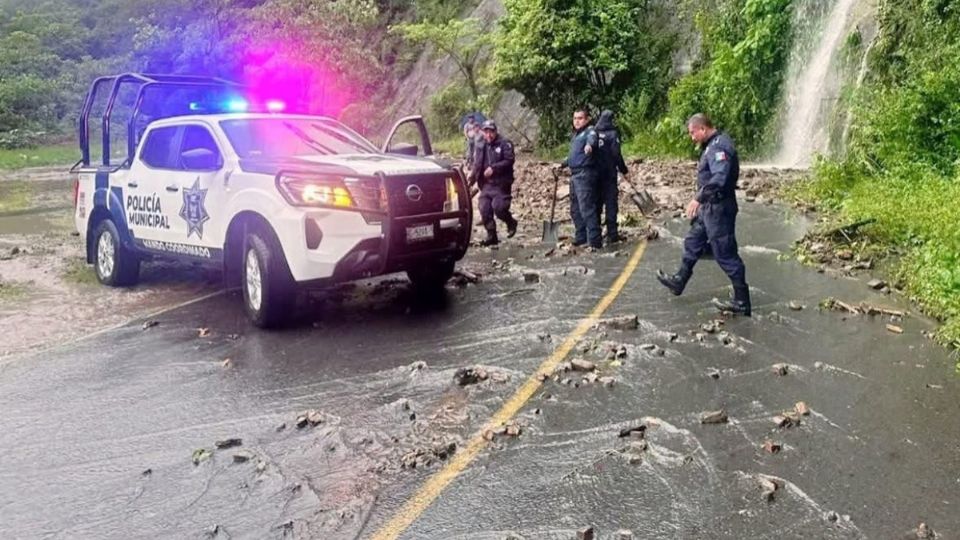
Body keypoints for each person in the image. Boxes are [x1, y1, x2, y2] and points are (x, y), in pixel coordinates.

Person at [656, 113, 751, 316]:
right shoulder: (711, 144)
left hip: (719, 208)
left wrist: (698, 198)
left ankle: (742, 300)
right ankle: (679, 280)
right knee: (693, 242)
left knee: (726, 253)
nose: (692, 138)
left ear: (703, 129)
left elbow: (720, 177)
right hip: (708, 208)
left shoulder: (718, 145)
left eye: (692, 133)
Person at [557, 108, 602, 249]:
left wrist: (589, 146)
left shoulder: (590, 131)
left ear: (587, 119)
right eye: (575, 118)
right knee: (575, 209)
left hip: (585, 174)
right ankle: (581, 237)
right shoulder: (576, 136)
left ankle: (595, 240)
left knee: (586, 208)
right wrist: (562, 164)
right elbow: (573, 156)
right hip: (574, 175)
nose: (577, 121)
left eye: (580, 118)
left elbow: (592, 140)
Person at [469, 120, 518, 246]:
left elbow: (509, 160)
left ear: (496, 132)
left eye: (491, 132)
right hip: (486, 185)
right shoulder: (481, 146)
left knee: (499, 208)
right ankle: (492, 236)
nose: (489, 135)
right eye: (486, 132)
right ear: (483, 133)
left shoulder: (505, 144)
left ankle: (511, 222)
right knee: (484, 208)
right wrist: (471, 179)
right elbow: (477, 165)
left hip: (501, 184)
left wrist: (494, 168)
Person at [595, 109, 628, 243]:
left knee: (596, 204)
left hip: (595, 175)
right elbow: (616, 154)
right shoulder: (612, 134)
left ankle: (595, 233)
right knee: (611, 204)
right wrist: (624, 170)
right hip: (609, 174)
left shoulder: (594, 132)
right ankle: (612, 234)